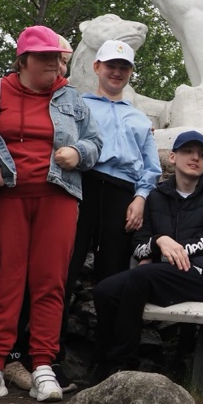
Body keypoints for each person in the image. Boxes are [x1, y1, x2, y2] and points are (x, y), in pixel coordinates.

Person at [0, 25, 102, 404]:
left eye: (58, 57)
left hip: (58, 196)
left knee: (50, 281)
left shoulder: (71, 98)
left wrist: (79, 153)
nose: (55, 63)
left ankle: (42, 367)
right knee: (5, 280)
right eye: (46, 57)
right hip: (5, 196)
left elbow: (95, 141)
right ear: (24, 60)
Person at [91, 130, 203, 382]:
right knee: (104, 290)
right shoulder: (157, 196)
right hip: (163, 277)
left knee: (141, 276)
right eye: (188, 152)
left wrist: (169, 253)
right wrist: (158, 242)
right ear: (172, 157)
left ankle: (124, 365)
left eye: (202, 154)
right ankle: (104, 363)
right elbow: (139, 245)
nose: (195, 158)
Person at [66, 39, 161, 310]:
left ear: (130, 72)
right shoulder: (77, 106)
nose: (116, 72)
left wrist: (141, 198)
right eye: (110, 65)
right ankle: (49, 348)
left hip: (122, 193)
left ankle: (108, 351)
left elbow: (151, 166)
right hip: (83, 186)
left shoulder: (140, 119)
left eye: (123, 67)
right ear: (97, 67)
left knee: (114, 273)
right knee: (65, 266)